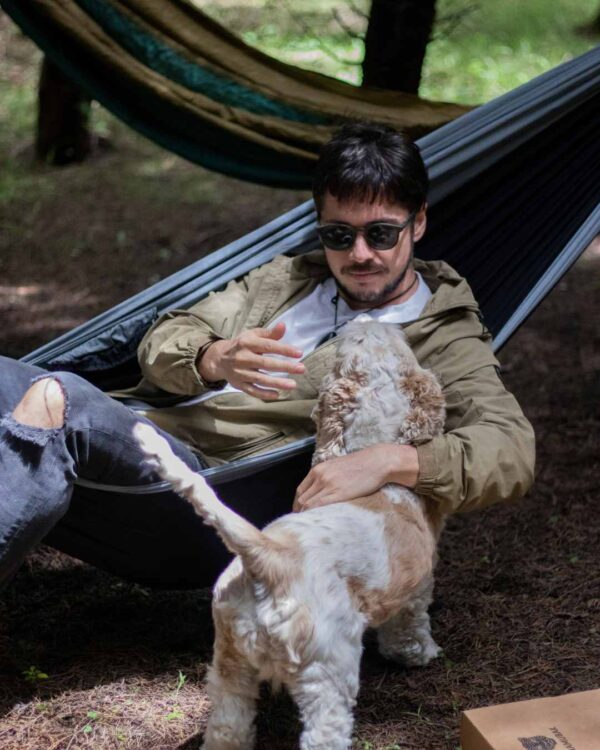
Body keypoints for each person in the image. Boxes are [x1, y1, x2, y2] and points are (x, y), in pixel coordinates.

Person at [0, 124, 535, 590]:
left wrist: (391, 461)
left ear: (417, 223)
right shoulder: (285, 280)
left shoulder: (439, 331)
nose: (360, 254)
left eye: (381, 233)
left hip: (210, 491)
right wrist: (213, 357)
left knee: (56, 398)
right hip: (136, 430)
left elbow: (509, 448)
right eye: (338, 235)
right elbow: (163, 339)